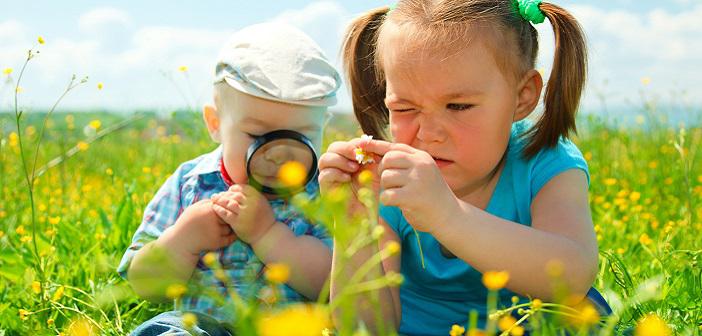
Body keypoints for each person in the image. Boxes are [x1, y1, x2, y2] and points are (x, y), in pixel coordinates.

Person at [318, 0, 611, 334]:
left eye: (458, 106)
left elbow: (573, 277)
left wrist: (447, 216)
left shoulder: (545, 160)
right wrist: (353, 223)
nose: (428, 135)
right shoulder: (387, 178)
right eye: (403, 108)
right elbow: (365, 328)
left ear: (522, 97)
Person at [118, 22, 341, 335]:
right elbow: (143, 283)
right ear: (215, 123)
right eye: (257, 134)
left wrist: (268, 235)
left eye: (300, 136)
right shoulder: (191, 182)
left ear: (323, 126)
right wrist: (184, 238)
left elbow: (335, 287)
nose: (278, 154)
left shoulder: (325, 192)